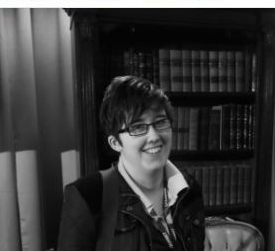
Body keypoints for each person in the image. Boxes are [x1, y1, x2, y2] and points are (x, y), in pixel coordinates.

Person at [57, 76, 205, 251]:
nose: (154, 137)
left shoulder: (188, 188)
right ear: (115, 143)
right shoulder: (88, 196)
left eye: (160, 122)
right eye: (137, 127)